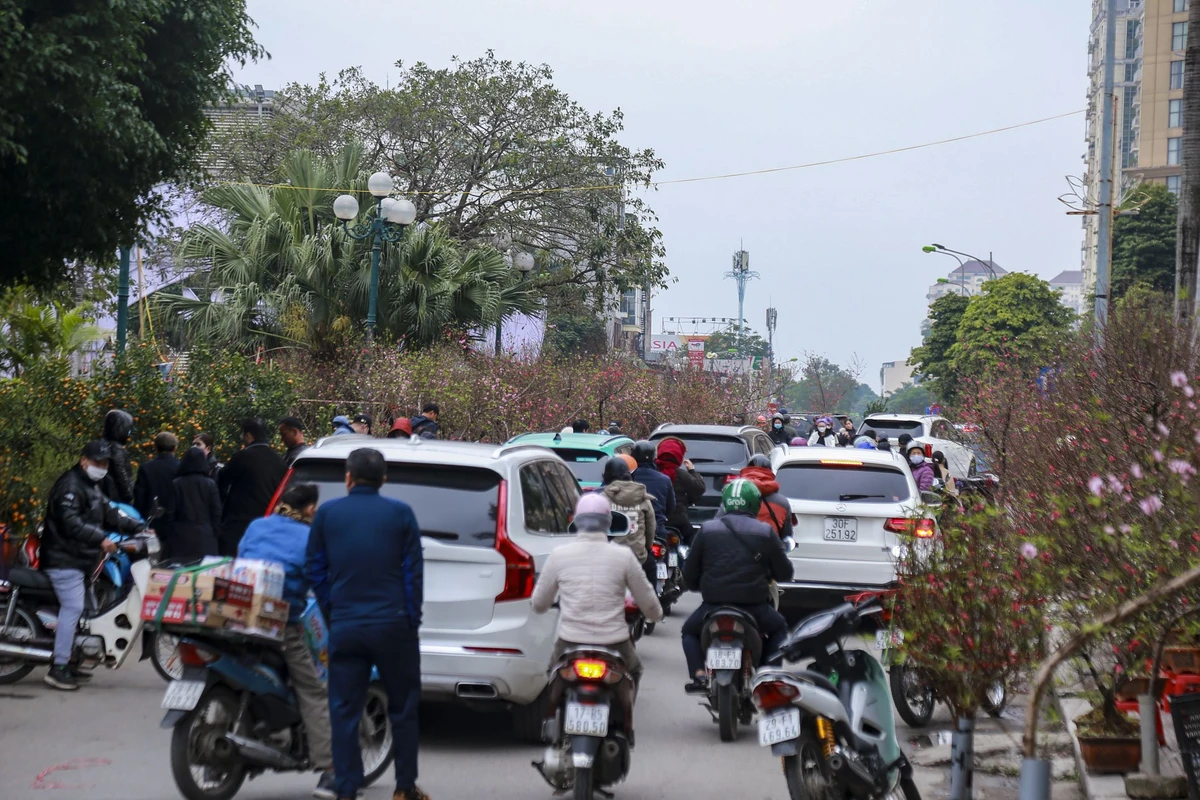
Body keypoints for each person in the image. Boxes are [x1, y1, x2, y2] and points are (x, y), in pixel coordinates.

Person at [306, 448, 426, 800]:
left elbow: (315, 569)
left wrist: (333, 610)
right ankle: (404, 787)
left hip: (346, 625)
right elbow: (413, 575)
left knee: (344, 709)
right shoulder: (401, 514)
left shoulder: (327, 514)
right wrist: (410, 620)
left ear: (348, 478)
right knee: (402, 708)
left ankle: (346, 787)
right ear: (383, 479)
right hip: (393, 626)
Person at [240, 483, 336, 800]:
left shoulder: (258, 524)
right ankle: (331, 772)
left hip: (237, 617)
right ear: (309, 509)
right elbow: (321, 587)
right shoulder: (311, 538)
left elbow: (241, 559)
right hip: (280, 625)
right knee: (313, 690)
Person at [531, 494, 662, 692]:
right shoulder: (624, 556)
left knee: (551, 673)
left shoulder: (559, 555)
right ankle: (625, 722)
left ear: (576, 522)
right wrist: (655, 614)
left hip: (569, 640)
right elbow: (649, 602)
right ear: (608, 522)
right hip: (614, 641)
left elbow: (539, 603)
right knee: (634, 670)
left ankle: (551, 717)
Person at [41, 440, 143, 690]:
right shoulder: (70, 486)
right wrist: (101, 539)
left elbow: (111, 512)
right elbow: (70, 523)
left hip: (80, 560)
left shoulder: (91, 486)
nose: (102, 467)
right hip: (63, 559)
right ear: (84, 460)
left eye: (105, 463)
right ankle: (59, 667)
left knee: (90, 611)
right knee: (74, 607)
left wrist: (139, 527)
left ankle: (74, 659)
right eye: (97, 462)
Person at [680, 479, 793, 694]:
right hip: (754, 607)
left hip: (713, 605)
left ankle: (699, 675)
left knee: (688, 632)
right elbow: (785, 572)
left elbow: (690, 573)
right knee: (779, 628)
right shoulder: (765, 532)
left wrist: (697, 585)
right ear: (755, 503)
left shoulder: (707, 530)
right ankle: (768, 678)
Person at [216, 418, 286, 556]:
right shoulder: (279, 461)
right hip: (268, 522)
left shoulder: (243, 457)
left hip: (238, 523)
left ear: (248, 436)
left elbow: (222, 481)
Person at [599, 457, 656, 584]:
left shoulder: (602, 499)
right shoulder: (643, 497)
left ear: (606, 477)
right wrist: (647, 548)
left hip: (609, 558)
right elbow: (650, 526)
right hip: (638, 557)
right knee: (651, 569)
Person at [716, 454, 793, 540]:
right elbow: (786, 536)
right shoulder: (782, 503)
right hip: (770, 549)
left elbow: (717, 525)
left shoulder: (734, 496)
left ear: (747, 469)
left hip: (737, 548)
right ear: (770, 472)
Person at [168, 446, 222, 561]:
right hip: (205, 536)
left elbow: (171, 512)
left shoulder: (177, 483)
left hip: (181, 536)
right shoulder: (210, 484)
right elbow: (216, 512)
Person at [655, 437, 704, 538]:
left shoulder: (652, 472)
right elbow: (699, 488)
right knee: (693, 542)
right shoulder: (681, 475)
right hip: (678, 522)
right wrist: (692, 471)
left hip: (655, 520)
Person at [630, 440, 675, 539]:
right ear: (653, 457)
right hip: (658, 531)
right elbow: (670, 507)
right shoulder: (664, 479)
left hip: (631, 530)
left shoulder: (628, 477)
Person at [133, 432, 179, 523]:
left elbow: (139, 498)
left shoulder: (145, 468)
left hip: (151, 521)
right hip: (175, 522)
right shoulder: (181, 468)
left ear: (156, 448)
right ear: (175, 448)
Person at [99, 409, 135, 503]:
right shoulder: (116, 448)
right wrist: (128, 493)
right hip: (115, 498)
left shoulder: (102, 444)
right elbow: (120, 472)